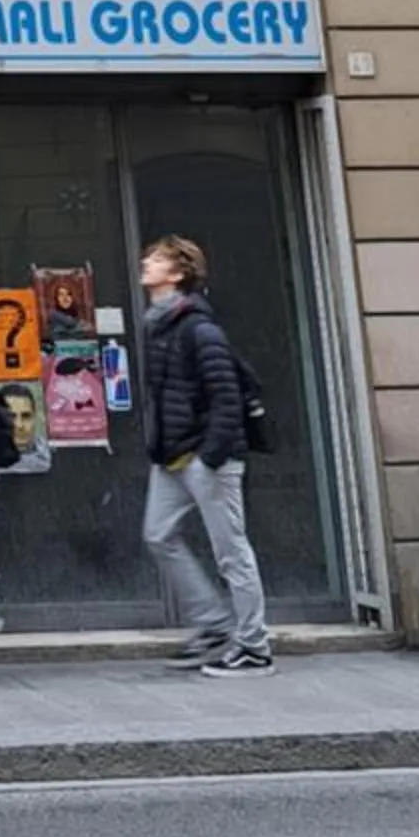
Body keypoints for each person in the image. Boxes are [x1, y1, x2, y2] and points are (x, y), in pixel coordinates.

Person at [139, 235, 272, 676]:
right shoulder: (159, 325)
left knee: (231, 551)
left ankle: (254, 646)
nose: (146, 263)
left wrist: (209, 458)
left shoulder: (199, 328)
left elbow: (226, 397)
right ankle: (214, 624)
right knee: (158, 534)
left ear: (176, 274)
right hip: (173, 456)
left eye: (155, 260)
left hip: (205, 457)